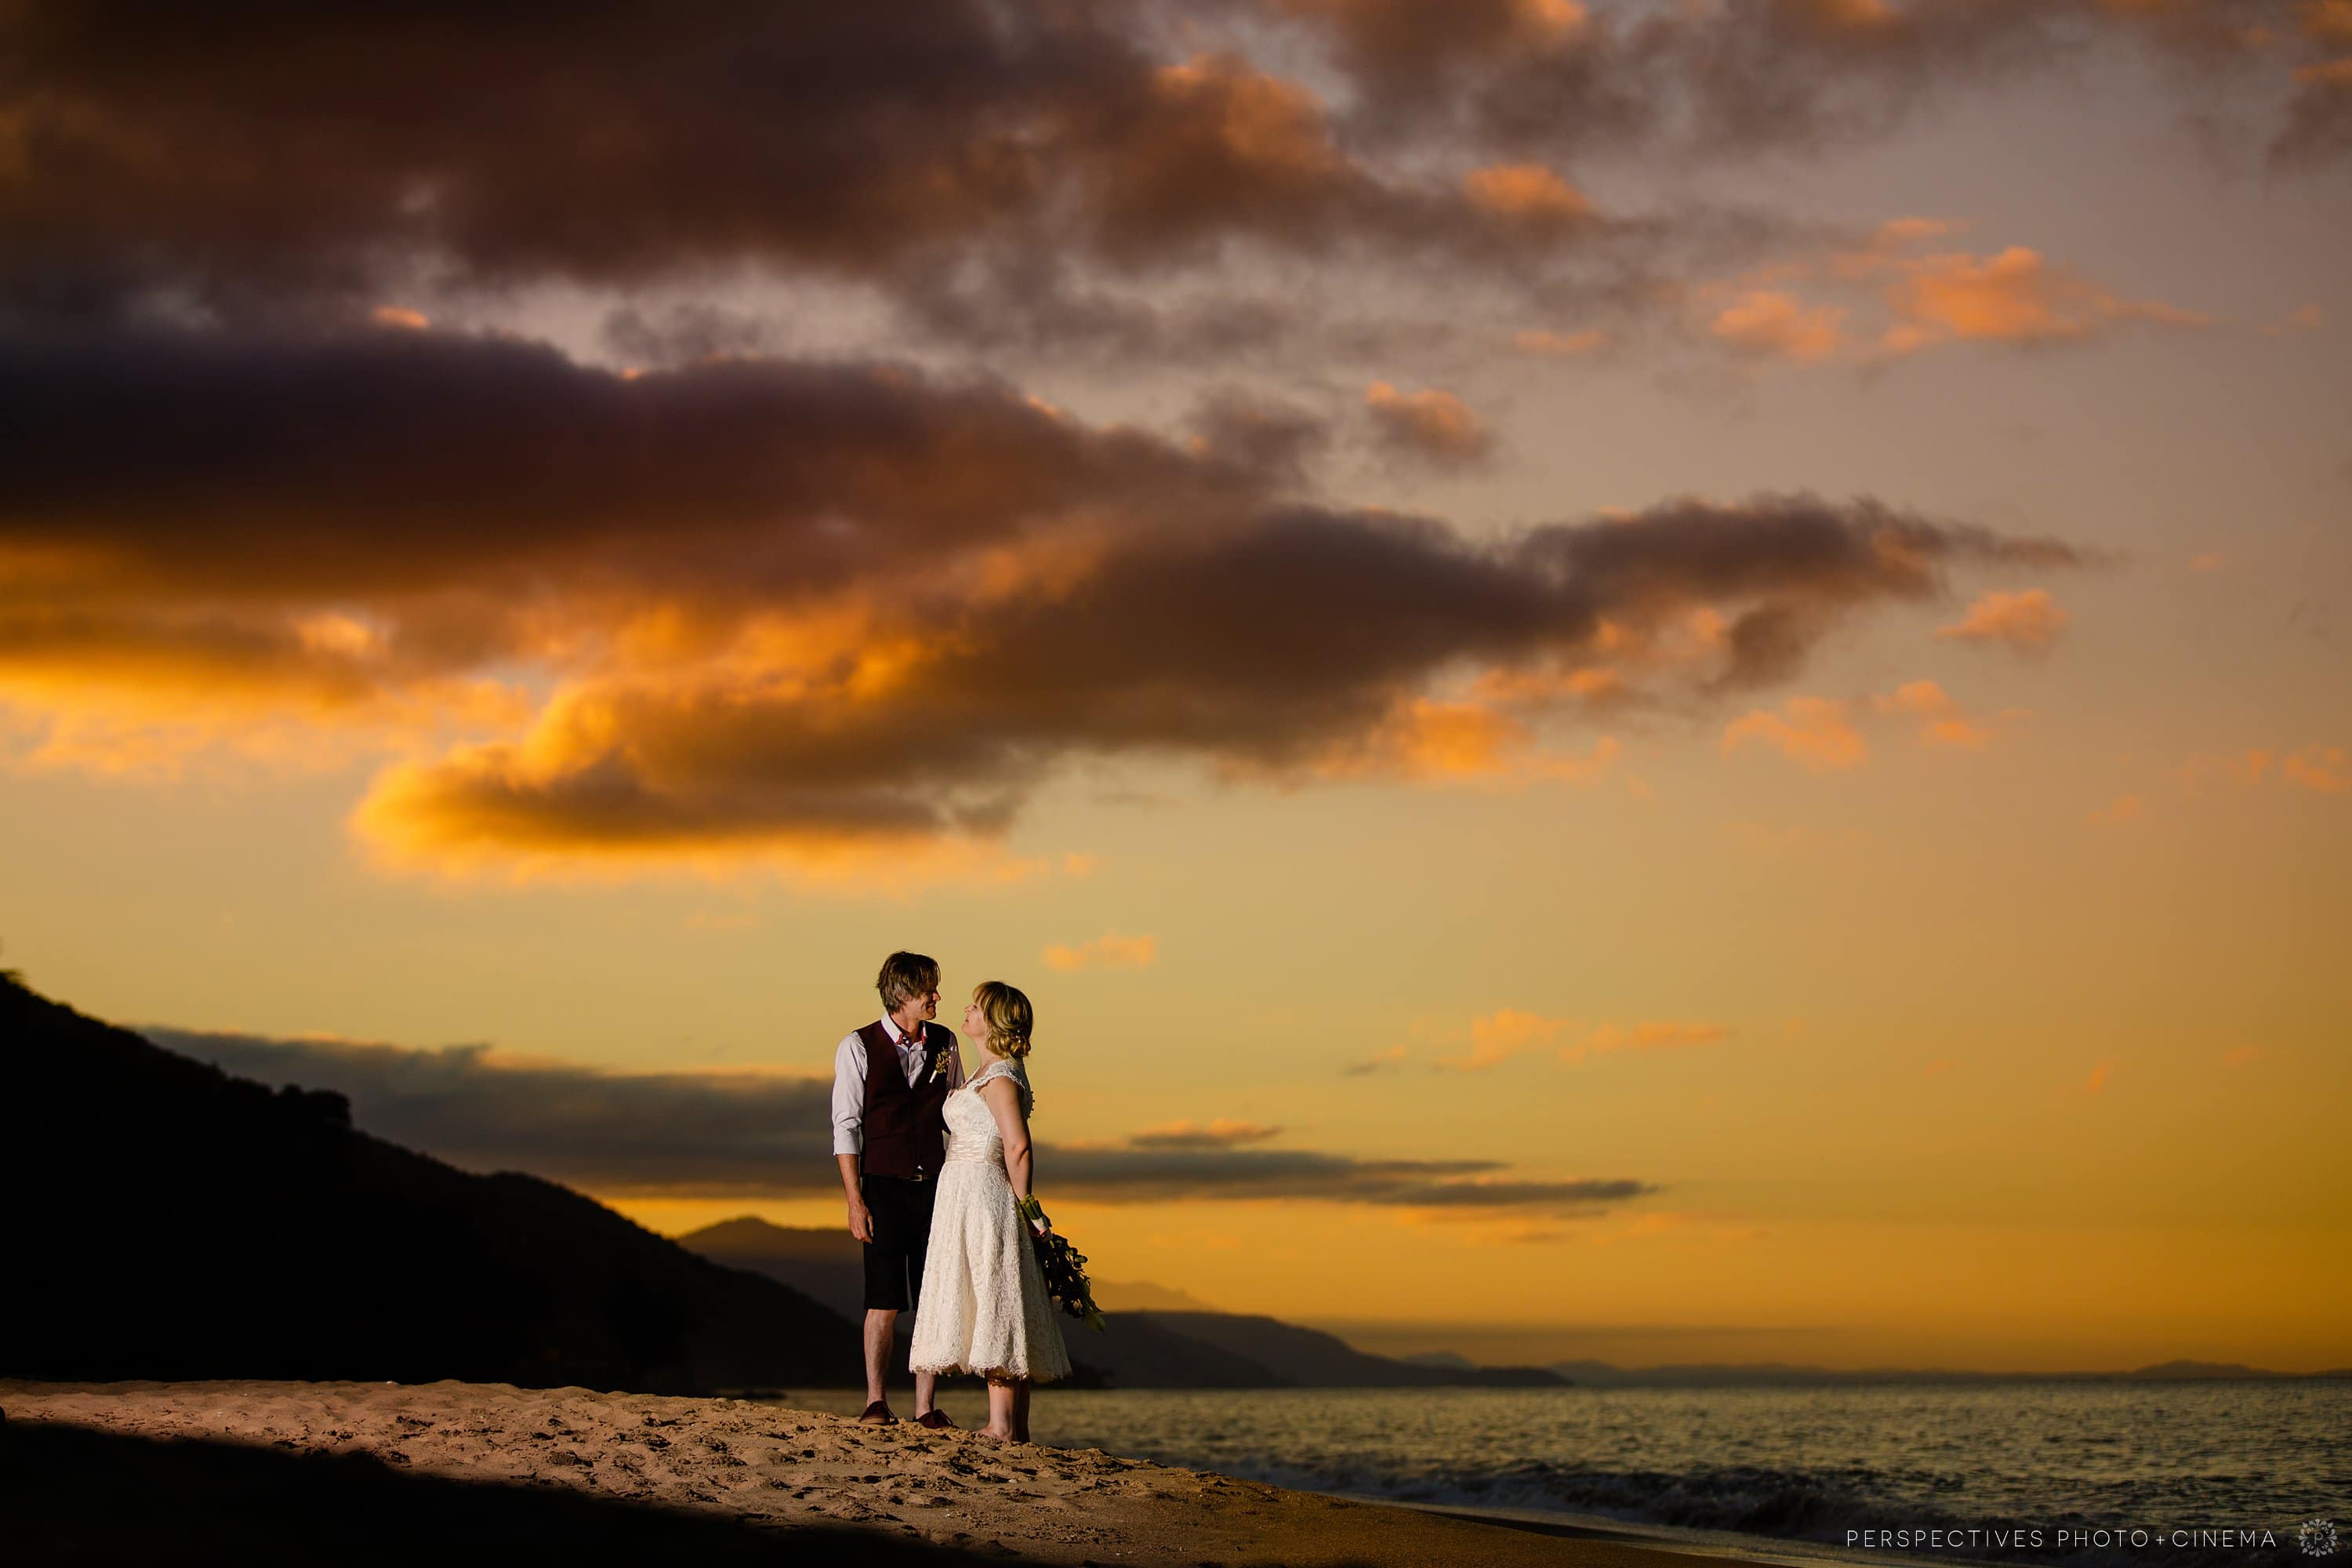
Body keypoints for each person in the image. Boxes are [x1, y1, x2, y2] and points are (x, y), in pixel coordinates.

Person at [908, 980, 1073, 1443]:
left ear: (994, 1021)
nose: (966, 1009)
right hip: (960, 1192)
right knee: (993, 1293)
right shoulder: (985, 1073)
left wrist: (1027, 1204)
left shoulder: (1001, 1077)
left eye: (976, 1007)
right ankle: (1014, 1425)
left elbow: (1017, 1145)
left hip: (982, 1191)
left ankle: (1002, 1425)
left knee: (994, 1294)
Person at [831, 950, 965, 1428]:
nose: (937, 996)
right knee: (883, 1301)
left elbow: (957, 1115)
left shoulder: (946, 1043)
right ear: (903, 995)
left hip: (936, 1188)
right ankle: (875, 1401)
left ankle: (926, 1407)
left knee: (931, 1298)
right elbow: (846, 1128)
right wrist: (855, 1200)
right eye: (930, 988)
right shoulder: (858, 1046)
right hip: (883, 1187)